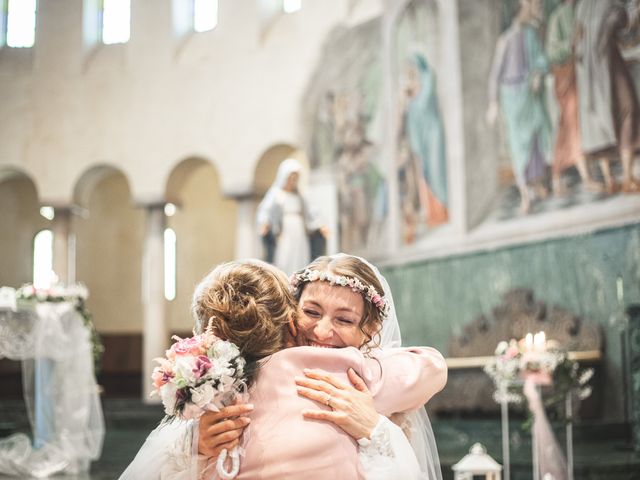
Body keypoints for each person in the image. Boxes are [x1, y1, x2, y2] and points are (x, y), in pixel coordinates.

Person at [120, 257, 446, 479]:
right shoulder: (229, 387)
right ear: (290, 312)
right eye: (312, 312)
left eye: (344, 320)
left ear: (371, 329)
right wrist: (199, 443)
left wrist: (371, 423)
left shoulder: (360, 375)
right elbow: (432, 366)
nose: (321, 332)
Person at [487, 0, 552, 214]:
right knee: (517, 147)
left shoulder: (530, 34)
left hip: (528, 95)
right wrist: (493, 104)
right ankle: (525, 193)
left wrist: (536, 74)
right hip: (511, 97)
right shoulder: (505, 40)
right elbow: (495, 75)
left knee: (534, 138)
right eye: (526, 8)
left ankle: (536, 184)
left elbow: (542, 60)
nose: (530, 12)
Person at [575, 0, 640, 194]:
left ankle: (621, 177)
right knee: (621, 110)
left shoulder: (585, 6)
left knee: (619, 111)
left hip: (599, 63)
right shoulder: (591, 5)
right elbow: (622, 23)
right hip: (601, 64)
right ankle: (618, 178)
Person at [546, 0, 600, 195]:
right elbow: (552, 51)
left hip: (578, 75)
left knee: (574, 125)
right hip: (565, 77)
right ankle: (558, 178)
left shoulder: (579, 10)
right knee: (569, 125)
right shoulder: (558, 17)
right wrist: (571, 43)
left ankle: (576, 177)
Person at [255, 159, 325, 275]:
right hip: (285, 231)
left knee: (300, 255)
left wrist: (319, 224)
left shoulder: (301, 195)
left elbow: (312, 211)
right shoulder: (276, 193)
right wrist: (265, 222)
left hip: (299, 230)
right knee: (284, 256)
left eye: (296, 178)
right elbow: (265, 210)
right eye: (291, 177)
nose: (293, 181)